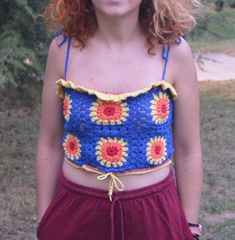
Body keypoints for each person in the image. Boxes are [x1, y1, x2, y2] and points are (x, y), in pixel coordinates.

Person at [35, 0, 203, 239]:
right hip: (74, 216)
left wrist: (191, 226)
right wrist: (45, 220)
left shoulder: (174, 52)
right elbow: (49, 143)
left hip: (155, 218)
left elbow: (188, 150)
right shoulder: (62, 50)